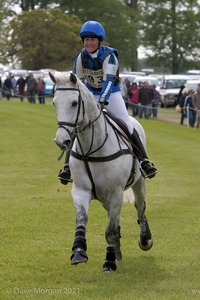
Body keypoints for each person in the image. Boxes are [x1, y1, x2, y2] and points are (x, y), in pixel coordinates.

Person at [58, 20, 157, 184]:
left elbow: (109, 81)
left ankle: (144, 161)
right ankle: (67, 166)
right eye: (86, 40)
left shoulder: (109, 55)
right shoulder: (80, 58)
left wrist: (102, 100)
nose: (89, 43)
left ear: (99, 41)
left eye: (92, 39)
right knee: (77, 126)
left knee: (127, 124)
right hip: (90, 94)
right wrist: (86, 100)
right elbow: (79, 83)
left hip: (112, 94)